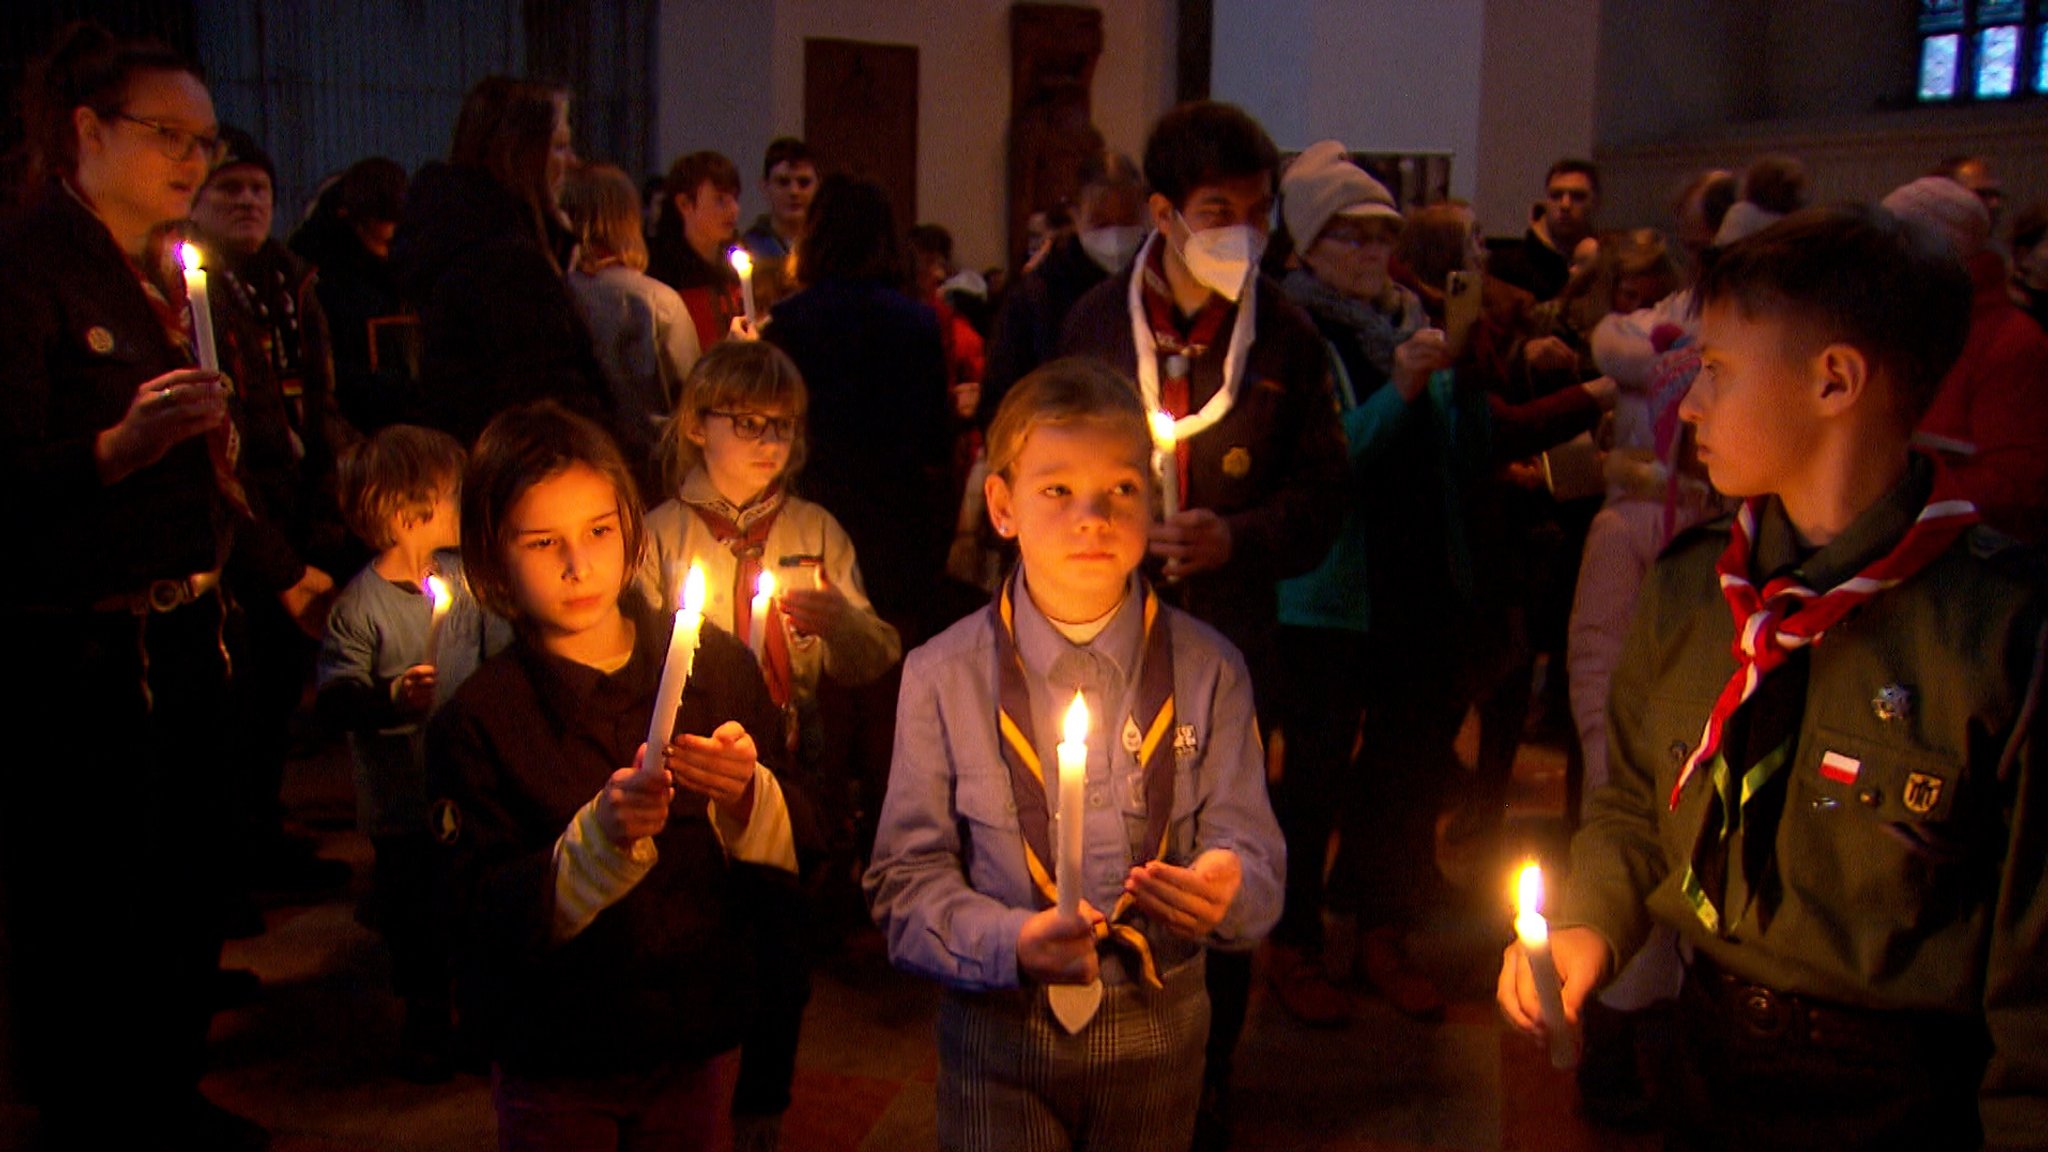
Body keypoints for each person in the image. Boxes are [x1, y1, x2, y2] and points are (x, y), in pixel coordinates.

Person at [1499, 203, 2048, 1150]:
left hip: (1901, 1097)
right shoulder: (1695, 588)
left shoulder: (1999, 632)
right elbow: (1635, 801)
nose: (1693, 405)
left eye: (1716, 371)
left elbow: (2038, 969)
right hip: (1706, 1057)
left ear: (1834, 380)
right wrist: (1591, 921)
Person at [864, 357, 1285, 1152]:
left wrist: (1230, 889)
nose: (1092, 516)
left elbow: (1258, 859)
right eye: (1056, 489)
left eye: (1121, 489)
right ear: (1001, 504)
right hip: (999, 1035)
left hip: (1161, 1036)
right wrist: (1009, 943)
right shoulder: (942, 676)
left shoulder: (1211, 670)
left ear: (1152, 499)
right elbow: (902, 884)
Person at [0, 22, 269, 1149]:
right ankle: (95, 1115)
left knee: (184, 886)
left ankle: (167, 1097)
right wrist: (114, 450)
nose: (194, 162)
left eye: (204, 142)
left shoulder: (169, 272)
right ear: (85, 130)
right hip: (83, 649)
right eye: (169, 135)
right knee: (90, 903)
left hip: (188, 628)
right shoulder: (27, 273)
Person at [1058, 99, 1345, 1149]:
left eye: (1258, 213)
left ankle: (1208, 1067)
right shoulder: (1092, 326)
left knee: (1220, 854)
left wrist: (1241, 535)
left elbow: (1323, 498)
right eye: (1220, 213)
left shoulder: (1288, 335)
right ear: (1166, 215)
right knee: (1096, 837)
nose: (1245, 235)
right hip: (1097, 635)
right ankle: (1093, 1042)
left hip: (1231, 642)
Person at [428, 401, 800, 1150]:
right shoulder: (482, 718)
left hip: (697, 1031)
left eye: (600, 530)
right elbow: (465, 913)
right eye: (543, 542)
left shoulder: (716, 670)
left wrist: (749, 799)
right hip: (557, 1051)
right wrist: (590, 848)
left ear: (631, 526)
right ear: (494, 558)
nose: (579, 564)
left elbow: (800, 857)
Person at [639, 339, 899, 1150]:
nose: (765, 440)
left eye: (781, 426)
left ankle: (761, 1117)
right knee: (696, 942)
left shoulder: (817, 530)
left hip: (792, 763)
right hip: (697, 772)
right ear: (693, 424)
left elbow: (876, 650)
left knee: (781, 954)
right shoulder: (658, 534)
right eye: (745, 422)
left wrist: (844, 626)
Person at [1261, 140, 1441, 1026]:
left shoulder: (1411, 321)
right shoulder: (1295, 331)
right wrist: (1403, 391)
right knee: (1316, 775)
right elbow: (1331, 464)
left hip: (1412, 583)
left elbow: (1444, 458)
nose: (1376, 257)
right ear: (1306, 247)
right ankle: (1290, 940)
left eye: (1384, 237)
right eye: (1354, 239)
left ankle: (1377, 925)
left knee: (1403, 774)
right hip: (1327, 591)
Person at [316, 423, 503, 1083]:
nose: (465, 505)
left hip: (467, 787)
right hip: (402, 801)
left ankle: (479, 1018)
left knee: (473, 903)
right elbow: (337, 697)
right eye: (455, 496)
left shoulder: (467, 581)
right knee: (413, 916)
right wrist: (392, 698)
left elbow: (500, 650)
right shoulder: (360, 608)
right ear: (407, 514)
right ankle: (425, 1021)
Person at [391, 76, 612, 445]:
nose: (572, 163)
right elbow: (556, 403)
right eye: (558, 147)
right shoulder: (504, 266)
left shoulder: (462, 240)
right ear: (521, 155)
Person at [1883, 175, 2048, 544]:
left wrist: (1889, 494)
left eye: (1890, 248)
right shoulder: (1910, 324)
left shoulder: (2010, 343)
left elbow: (2019, 487)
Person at [979, 150, 1147, 428]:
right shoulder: (1036, 296)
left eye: (1127, 221)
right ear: (1075, 215)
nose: (1115, 236)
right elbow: (1000, 401)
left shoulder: (1157, 284)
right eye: (1101, 223)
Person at [559, 161, 701, 484]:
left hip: (573, 471)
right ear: (628, 221)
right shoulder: (656, 302)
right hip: (652, 477)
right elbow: (694, 400)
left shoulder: (551, 296)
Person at [290, 156, 415, 433]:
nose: (387, 251)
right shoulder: (318, 274)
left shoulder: (407, 262)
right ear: (355, 221)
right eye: (381, 239)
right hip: (352, 425)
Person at [648, 149, 746, 352]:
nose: (734, 209)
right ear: (685, 204)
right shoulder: (661, 276)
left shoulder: (738, 266)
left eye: (734, 198)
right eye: (720, 199)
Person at [1489, 159, 1601, 301]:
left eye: (1578, 196)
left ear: (1595, 203)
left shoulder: (1606, 266)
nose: (1565, 205)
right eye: (1556, 195)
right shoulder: (1506, 267)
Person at [740, 137, 816, 312]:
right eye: (783, 182)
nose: (794, 192)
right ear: (765, 186)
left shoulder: (828, 248)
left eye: (803, 183)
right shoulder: (749, 247)